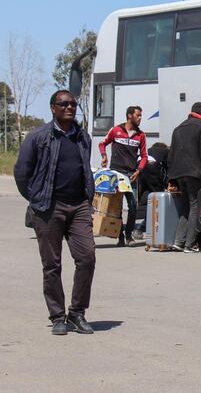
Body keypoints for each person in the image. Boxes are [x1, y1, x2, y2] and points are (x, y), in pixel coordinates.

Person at [13, 90, 96, 335]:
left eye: (73, 104)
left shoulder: (83, 137)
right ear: (52, 108)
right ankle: (58, 316)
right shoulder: (38, 137)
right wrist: (37, 198)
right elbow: (21, 172)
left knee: (87, 258)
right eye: (64, 104)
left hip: (79, 205)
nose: (70, 107)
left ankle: (77, 313)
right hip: (49, 207)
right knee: (52, 265)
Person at [168, 102, 201, 253]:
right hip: (194, 172)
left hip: (178, 173)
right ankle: (189, 244)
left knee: (185, 207)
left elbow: (172, 154)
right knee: (195, 206)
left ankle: (178, 242)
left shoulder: (177, 128)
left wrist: (171, 178)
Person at [98, 105, 148, 247]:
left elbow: (144, 156)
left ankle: (129, 235)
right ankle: (120, 236)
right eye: (138, 115)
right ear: (129, 116)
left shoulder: (141, 135)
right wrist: (104, 156)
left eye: (141, 116)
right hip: (116, 174)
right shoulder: (115, 130)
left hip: (132, 175)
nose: (140, 118)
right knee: (117, 206)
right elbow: (102, 143)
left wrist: (139, 170)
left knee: (133, 205)